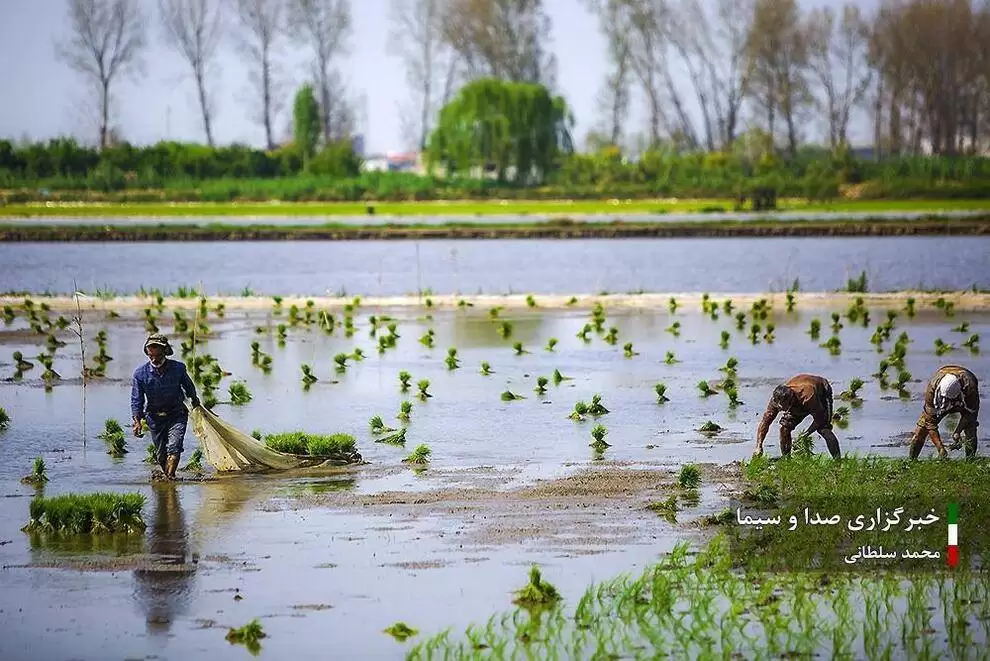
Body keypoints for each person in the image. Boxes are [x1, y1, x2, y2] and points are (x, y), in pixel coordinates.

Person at [131, 333, 200, 480]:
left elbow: (189, 388)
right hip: (154, 418)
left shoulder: (178, 369)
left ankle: (170, 482)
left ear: (164, 352)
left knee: (174, 447)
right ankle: (168, 480)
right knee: (161, 455)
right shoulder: (140, 374)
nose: (154, 360)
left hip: (177, 414)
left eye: (157, 356)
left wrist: (195, 401)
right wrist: (137, 421)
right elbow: (137, 400)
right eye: (151, 356)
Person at [755, 374, 841, 459]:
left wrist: (804, 435)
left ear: (791, 399)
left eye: (785, 407)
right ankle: (787, 460)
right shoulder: (775, 401)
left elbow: (819, 419)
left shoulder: (807, 396)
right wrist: (759, 446)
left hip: (821, 392)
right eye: (780, 408)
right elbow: (765, 422)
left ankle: (838, 462)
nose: (783, 411)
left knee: (824, 429)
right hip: (797, 400)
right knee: (784, 429)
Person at [908, 365, 980, 460]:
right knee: (922, 427)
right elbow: (930, 424)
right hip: (940, 398)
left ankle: (970, 462)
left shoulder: (970, 387)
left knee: (970, 427)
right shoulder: (932, 389)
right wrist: (940, 448)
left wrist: (957, 432)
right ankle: (911, 462)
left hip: (964, 400)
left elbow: (970, 414)